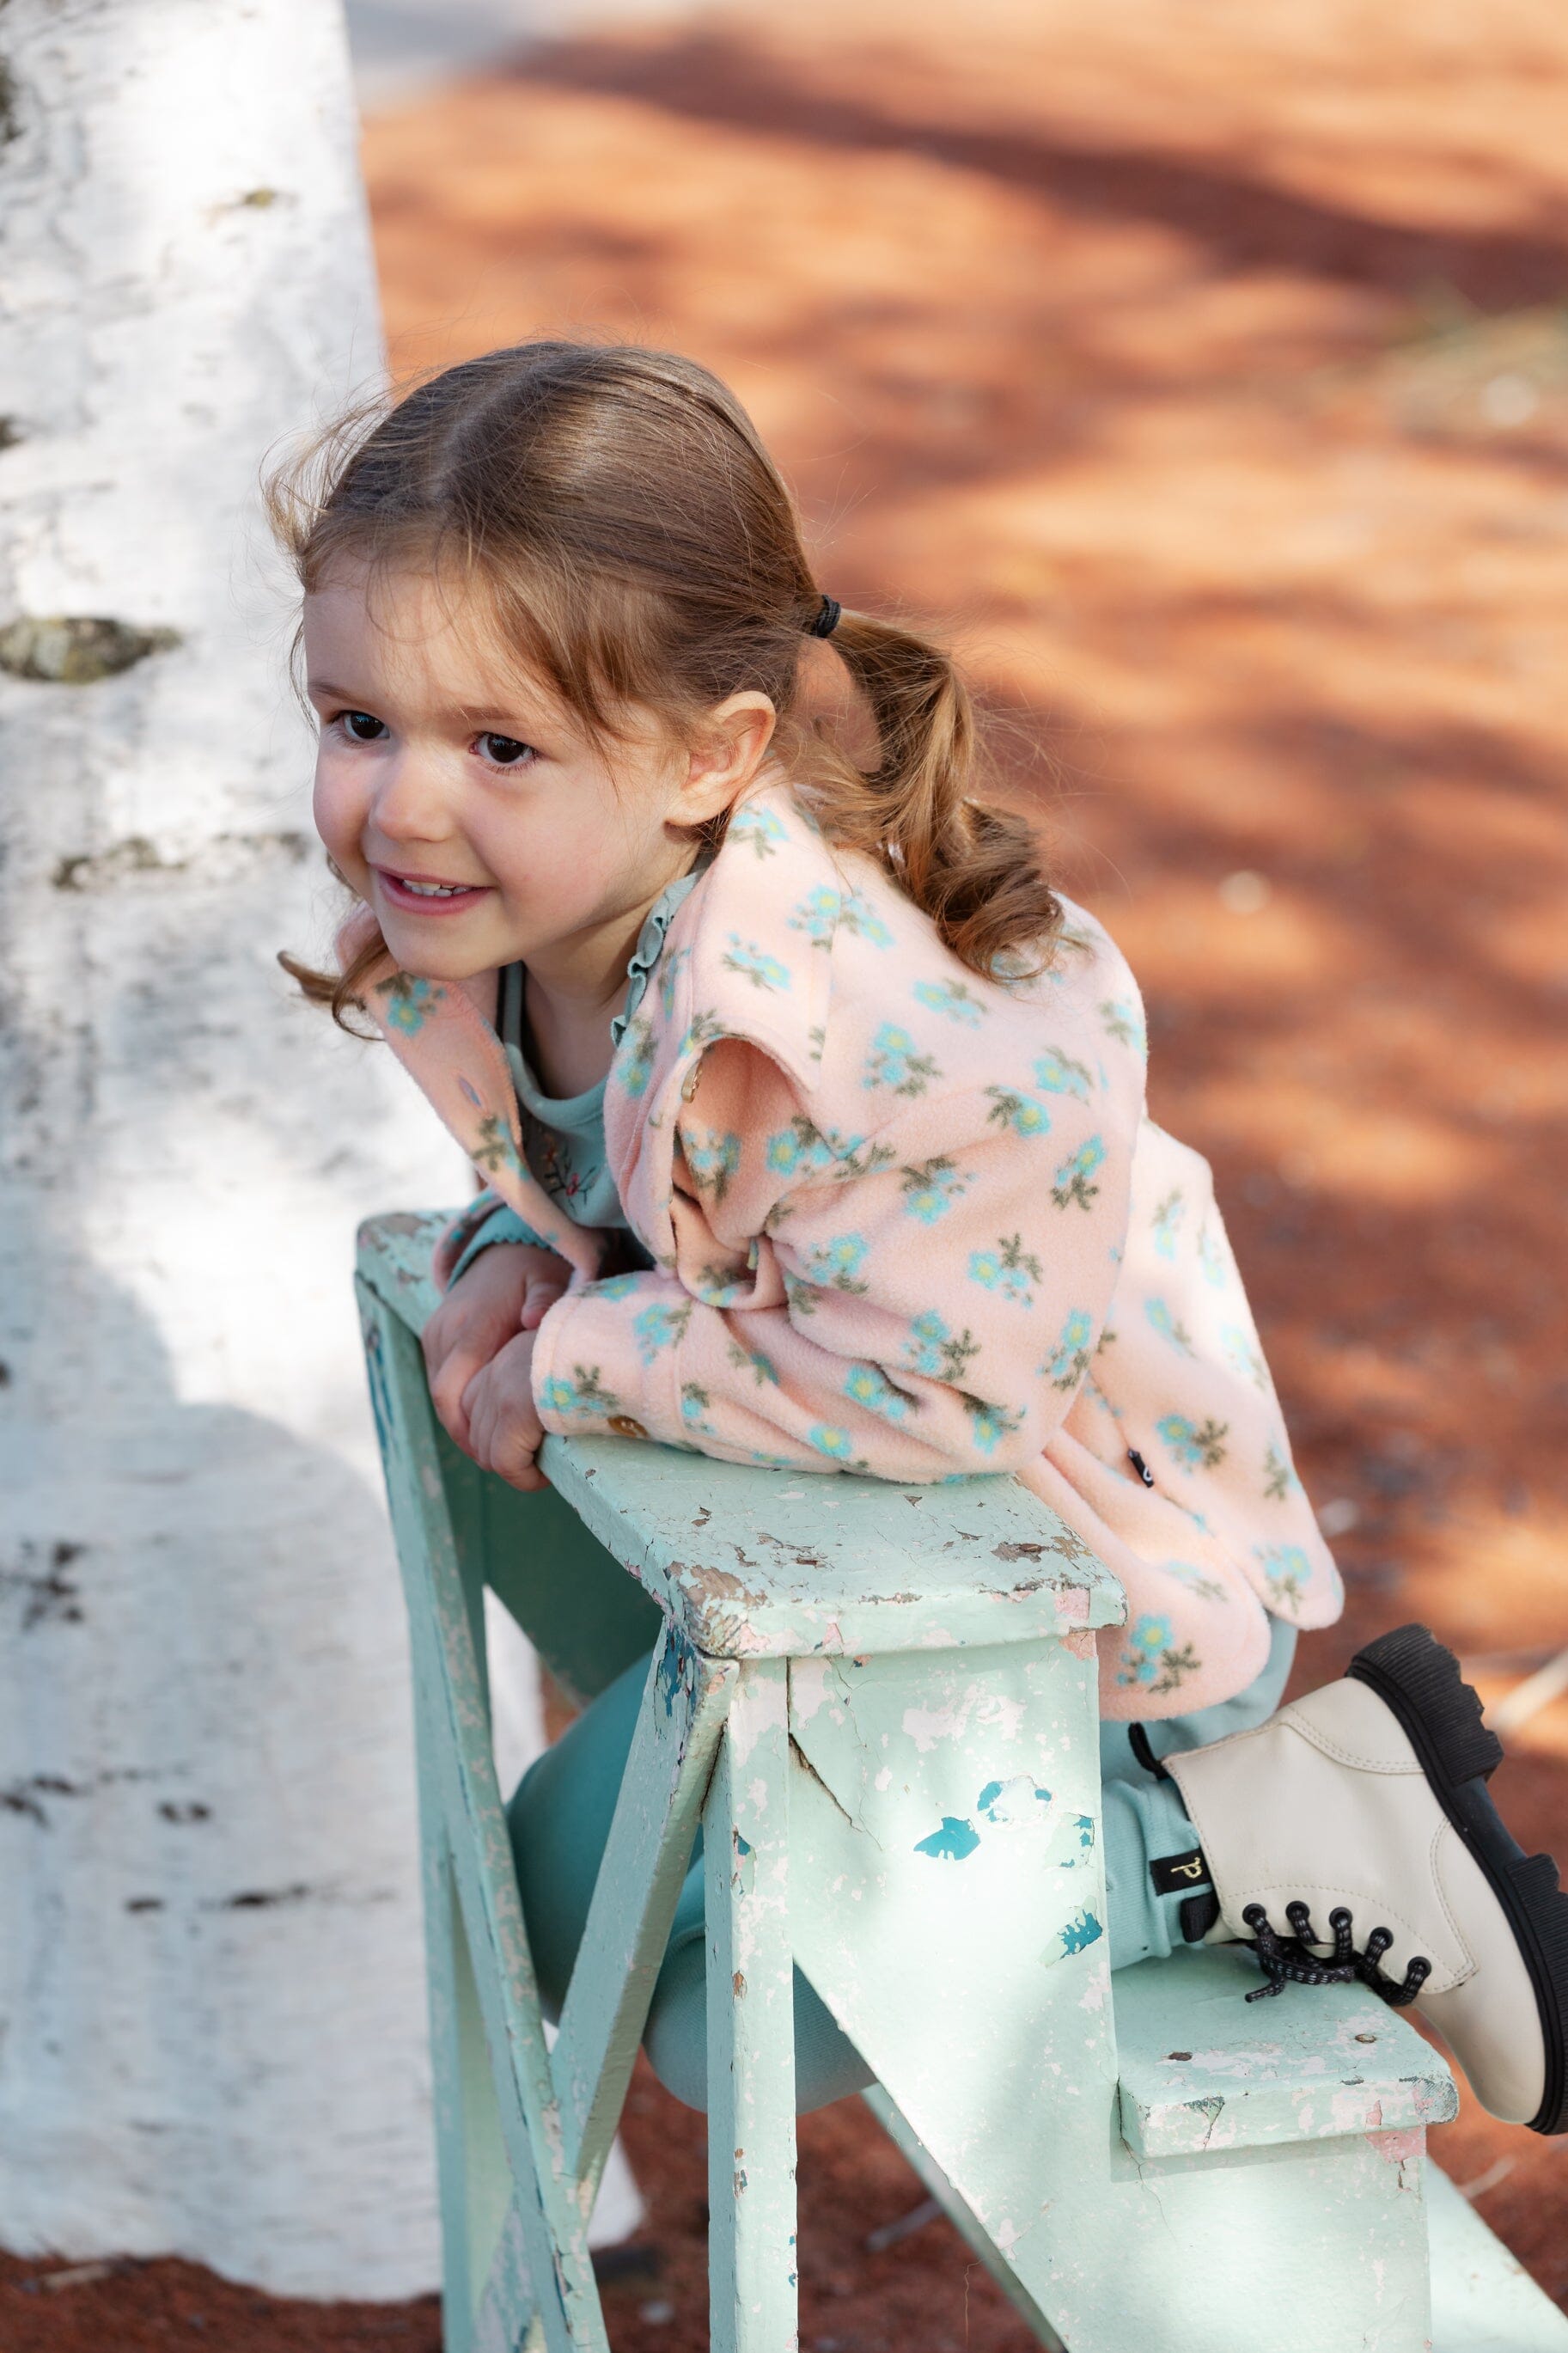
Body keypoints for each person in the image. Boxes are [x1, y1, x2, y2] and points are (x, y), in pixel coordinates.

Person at [274, 340, 1566, 2136]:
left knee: (726, 2034)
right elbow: (654, 1186)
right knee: (562, 1935)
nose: (403, 804)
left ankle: (1268, 1822)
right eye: (358, 724)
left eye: (497, 742)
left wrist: (578, 1350)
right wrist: (538, 1248)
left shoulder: (856, 1020)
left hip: (1092, 1597)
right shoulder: (518, 922)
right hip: (879, 1579)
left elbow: (927, 1389)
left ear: (706, 760)